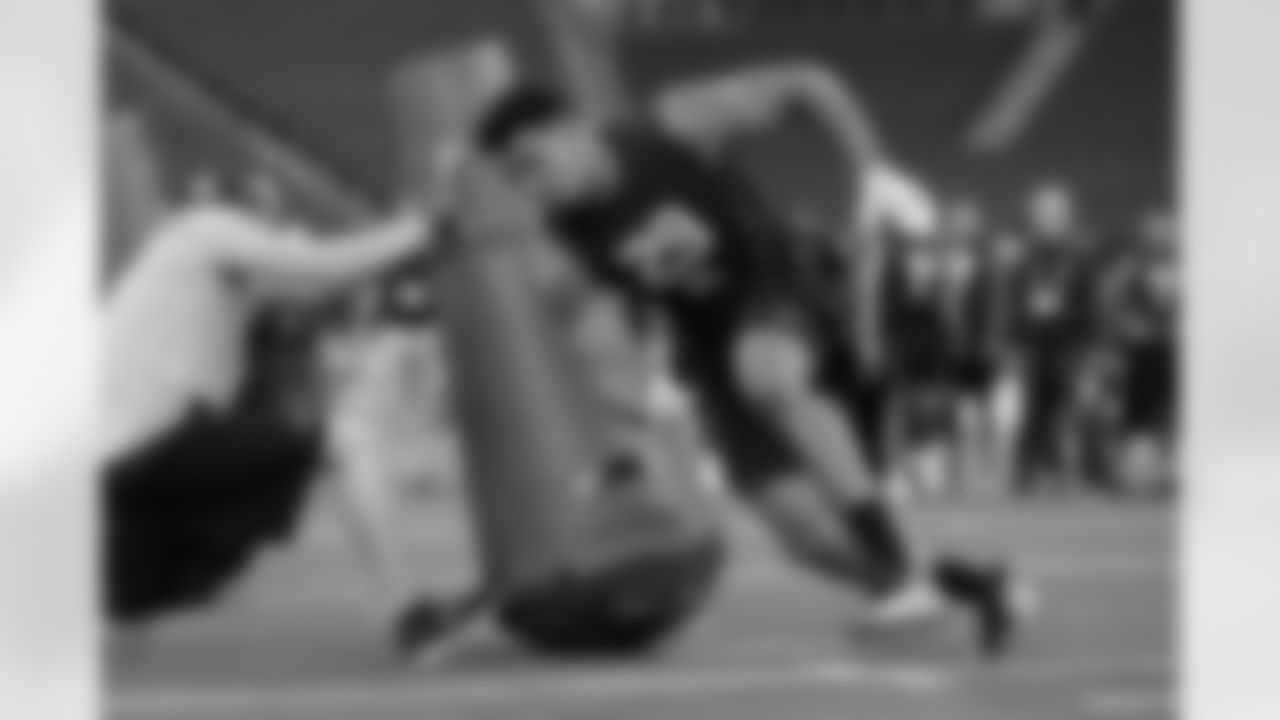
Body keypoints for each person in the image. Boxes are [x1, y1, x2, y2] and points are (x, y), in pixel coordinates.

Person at [459, 62, 1033, 655]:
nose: (531, 186)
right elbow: (586, 330)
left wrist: (872, 170)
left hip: (779, 280)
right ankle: (971, 585)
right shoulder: (564, 243)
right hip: (710, 350)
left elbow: (808, 84)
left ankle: (904, 576)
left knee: (767, 373)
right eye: (514, 177)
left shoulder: (668, 123)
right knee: (803, 535)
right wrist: (635, 408)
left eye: (531, 163)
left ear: (572, 130)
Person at [103, 177, 453, 659]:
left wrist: (399, 240)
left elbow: (316, 278)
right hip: (152, 446)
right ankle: (406, 611)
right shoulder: (206, 229)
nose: (280, 231)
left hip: (117, 464)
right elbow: (319, 266)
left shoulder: (187, 261)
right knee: (346, 438)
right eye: (271, 218)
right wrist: (422, 227)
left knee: (122, 620)